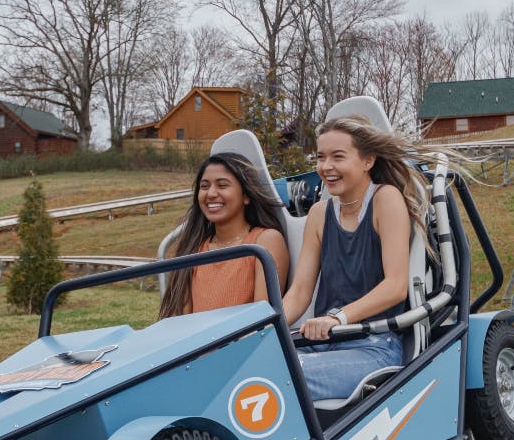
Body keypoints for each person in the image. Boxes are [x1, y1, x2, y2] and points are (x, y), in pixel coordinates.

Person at [281, 114, 434, 401]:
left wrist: (338, 318)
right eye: (321, 157)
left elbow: (396, 286)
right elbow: (300, 292)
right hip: (323, 343)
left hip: (374, 347)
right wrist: (265, 329)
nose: (326, 167)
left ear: (368, 161)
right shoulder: (318, 214)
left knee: (282, 381)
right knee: (254, 370)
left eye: (338, 157)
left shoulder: (385, 199)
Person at [159, 153, 289, 319]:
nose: (211, 193)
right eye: (204, 186)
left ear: (246, 195)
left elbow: (263, 321)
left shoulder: (264, 242)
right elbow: (178, 321)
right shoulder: (193, 248)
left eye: (222, 185)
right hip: (201, 343)